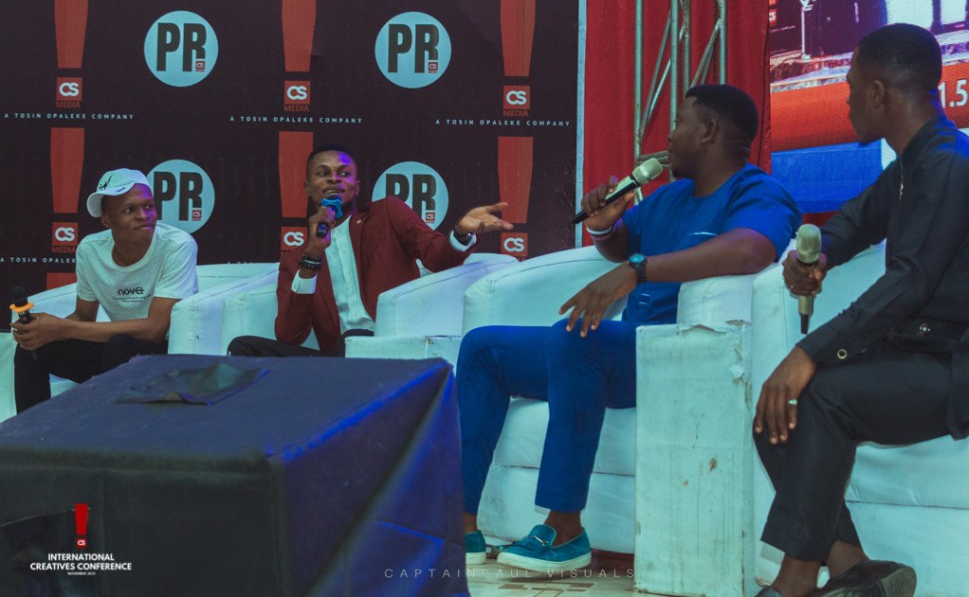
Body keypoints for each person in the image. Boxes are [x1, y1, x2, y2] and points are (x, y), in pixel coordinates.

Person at [458, 84, 801, 572]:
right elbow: (622, 246)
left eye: (678, 123)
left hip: (680, 353)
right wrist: (605, 226)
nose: (669, 137)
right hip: (623, 350)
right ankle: (462, 526)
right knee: (483, 348)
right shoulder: (670, 197)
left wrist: (638, 269)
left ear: (708, 131)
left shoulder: (758, 191)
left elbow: (752, 250)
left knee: (579, 335)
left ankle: (565, 528)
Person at [752, 23, 969, 597]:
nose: (845, 98)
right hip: (929, 350)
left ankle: (794, 583)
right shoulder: (911, 165)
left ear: (878, 92)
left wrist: (810, 352)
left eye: (850, 85)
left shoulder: (951, 166)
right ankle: (853, 571)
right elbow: (854, 220)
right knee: (777, 409)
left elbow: (910, 282)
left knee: (819, 394)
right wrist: (818, 256)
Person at [227, 144, 511, 357]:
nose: (334, 179)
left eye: (343, 174)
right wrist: (312, 254)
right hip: (336, 359)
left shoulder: (386, 214)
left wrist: (461, 232)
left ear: (356, 187)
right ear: (308, 188)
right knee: (243, 348)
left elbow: (437, 257)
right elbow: (289, 335)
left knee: (355, 335)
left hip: (387, 345)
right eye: (323, 174)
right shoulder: (295, 259)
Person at [12, 168, 198, 412]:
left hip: (167, 358)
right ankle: (32, 432)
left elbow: (155, 329)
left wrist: (63, 328)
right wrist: (44, 330)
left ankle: (111, 431)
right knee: (31, 347)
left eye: (149, 206)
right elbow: (83, 316)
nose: (143, 216)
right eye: (130, 210)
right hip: (116, 355)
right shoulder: (91, 250)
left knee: (120, 345)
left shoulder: (177, 245)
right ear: (107, 220)